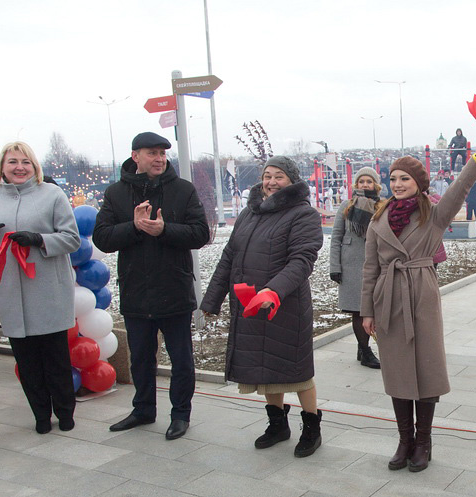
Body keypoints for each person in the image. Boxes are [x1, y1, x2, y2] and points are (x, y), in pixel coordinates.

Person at [362, 134, 476, 472]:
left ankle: (423, 441)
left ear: (419, 183)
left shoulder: (435, 214)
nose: (397, 184)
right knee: (396, 369)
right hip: (388, 297)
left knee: (425, 368)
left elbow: (462, 185)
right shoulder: (378, 217)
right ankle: (404, 440)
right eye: (394, 179)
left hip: (421, 294)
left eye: (405, 179)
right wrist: (366, 310)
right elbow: (370, 267)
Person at [201, 156, 323, 455]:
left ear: (291, 180)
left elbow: (302, 260)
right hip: (250, 305)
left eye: (278, 176)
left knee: (297, 371)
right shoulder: (249, 213)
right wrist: (212, 299)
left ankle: (311, 428)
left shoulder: (303, 215)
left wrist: (273, 290)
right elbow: (229, 257)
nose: (270, 182)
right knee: (264, 369)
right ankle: (278, 425)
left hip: (286, 306)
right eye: (267, 175)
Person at [93, 132, 209, 441]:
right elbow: (102, 238)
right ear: (136, 157)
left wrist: (164, 229)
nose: (159, 158)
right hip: (136, 291)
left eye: (162, 153)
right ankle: (143, 409)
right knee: (140, 357)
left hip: (174, 289)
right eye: (152, 153)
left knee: (181, 358)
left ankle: (180, 414)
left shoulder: (182, 190)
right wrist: (133, 227)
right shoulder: (116, 193)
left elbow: (200, 233)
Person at [0, 142, 80, 433]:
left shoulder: (51, 194)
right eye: (13, 161)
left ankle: (65, 412)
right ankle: (40, 416)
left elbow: (71, 238)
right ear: (1, 167)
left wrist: (39, 240)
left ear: (34, 166)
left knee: (56, 360)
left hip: (48, 291)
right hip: (10, 294)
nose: (19, 167)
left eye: (25, 162)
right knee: (28, 363)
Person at [330, 167, 382, 369]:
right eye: (361, 181)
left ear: (375, 185)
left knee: (372, 308)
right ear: (356, 184)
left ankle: (363, 348)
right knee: (358, 310)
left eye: (369, 181)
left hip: (374, 264)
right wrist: (335, 266)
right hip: (350, 265)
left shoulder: (381, 206)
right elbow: (336, 237)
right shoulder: (346, 205)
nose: (365, 185)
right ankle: (366, 350)